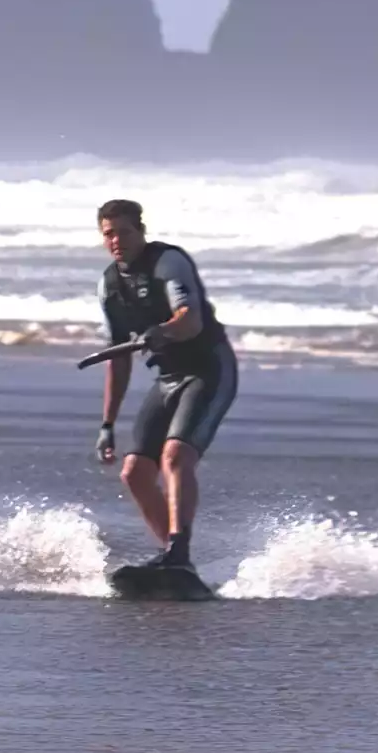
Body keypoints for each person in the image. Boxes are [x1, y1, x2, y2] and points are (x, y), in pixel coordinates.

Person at [92, 198, 238, 573]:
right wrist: (108, 424)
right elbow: (118, 357)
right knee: (135, 473)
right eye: (109, 234)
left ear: (141, 231)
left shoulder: (167, 262)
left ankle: (179, 553)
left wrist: (163, 331)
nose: (117, 241)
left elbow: (190, 320)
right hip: (168, 379)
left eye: (125, 232)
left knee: (176, 457)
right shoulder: (109, 285)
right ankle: (173, 560)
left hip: (208, 370)